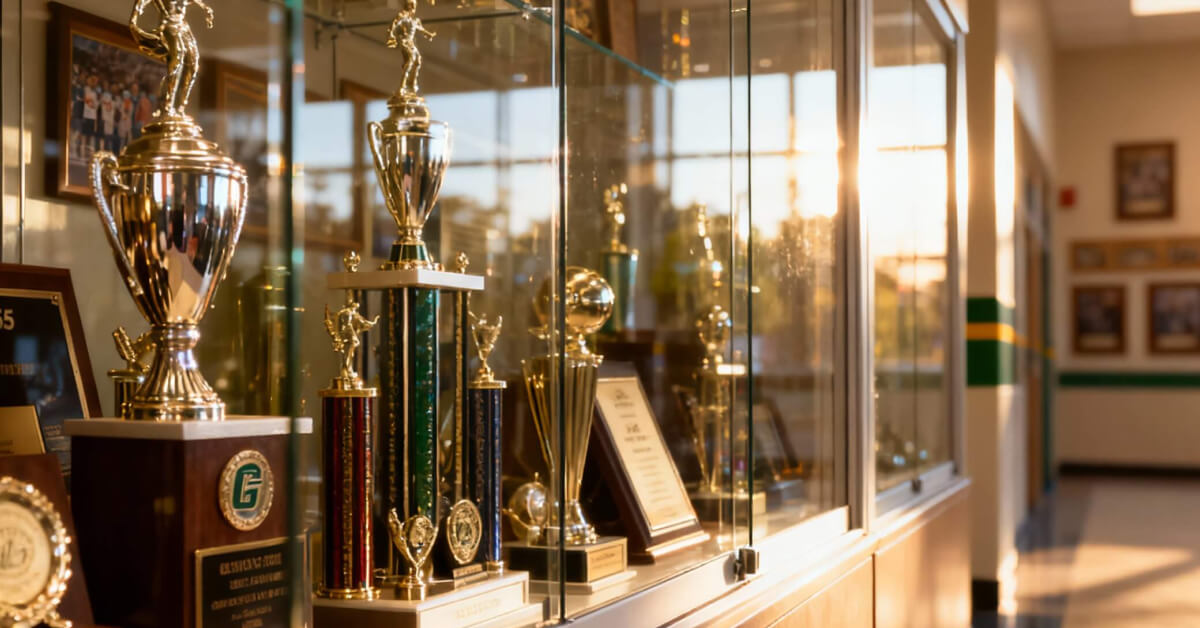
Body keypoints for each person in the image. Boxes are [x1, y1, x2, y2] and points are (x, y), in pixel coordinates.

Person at [81, 74, 100, 156]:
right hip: (86, 115)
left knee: (91, 135)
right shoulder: (86, 89)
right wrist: (92, 102)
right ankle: (82, 153)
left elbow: (96, 105)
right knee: (84, 135)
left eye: (95, 82)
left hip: (92, 117)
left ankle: (89, 154)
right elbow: (87, 100)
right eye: (93, 81)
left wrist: (95, 102)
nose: (94, 83)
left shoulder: (96, 92)